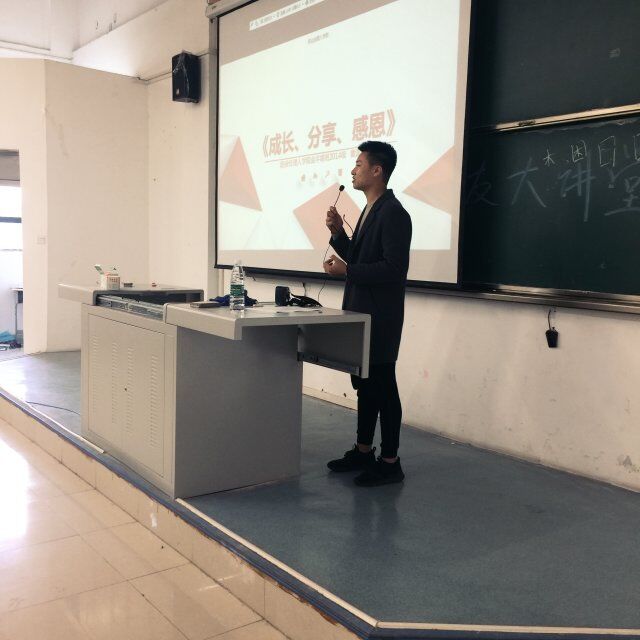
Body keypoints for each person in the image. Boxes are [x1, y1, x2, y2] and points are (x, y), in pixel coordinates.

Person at [323, 140, 412, 487]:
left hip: (381, 317)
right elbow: (362, 259)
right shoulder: (370, 209)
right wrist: (337, 234)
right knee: (365, 386)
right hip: (362, 313)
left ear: (377, 170)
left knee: (384, 387)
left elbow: (393, 269)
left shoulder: (393, 213)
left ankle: (390, 462)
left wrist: (347, 270)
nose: (353, 170)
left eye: (359, 164)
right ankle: (363, 451)